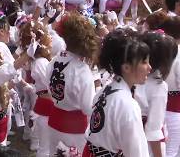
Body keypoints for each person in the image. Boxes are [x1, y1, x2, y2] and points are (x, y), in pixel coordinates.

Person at [84, 28, 151, 157]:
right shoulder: (128, 105)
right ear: (126, 67)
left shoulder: (106, 90)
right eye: (144, 62)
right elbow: (136, 153)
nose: (149, 67)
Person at [46, 12, 98, 155]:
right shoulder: (81, 70)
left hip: (54, 120)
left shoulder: (53, 60)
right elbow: (88, 108)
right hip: (74, 128)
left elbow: (49, 90)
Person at [134, 32, 177, 157]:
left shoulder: (129, 76)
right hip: (146, 146)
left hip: (127, 139)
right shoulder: (158, 87)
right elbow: (153, 130)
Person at [19, 21, 53, 156]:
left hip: (45, 103)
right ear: (41, 41)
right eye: (48, 35)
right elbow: (51, 87)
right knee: (45, 147)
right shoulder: (41, 63)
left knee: (46, 146)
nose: (51, 37)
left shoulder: (40, 61)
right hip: (46, 105)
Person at [161, 16, 180, 157]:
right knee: (171, 151)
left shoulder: (157, 49)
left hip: (158, 104)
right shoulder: (177, 52)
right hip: (174, 108)